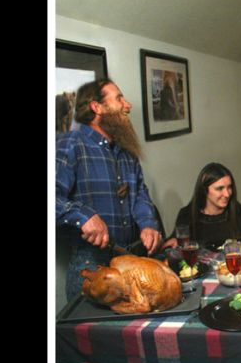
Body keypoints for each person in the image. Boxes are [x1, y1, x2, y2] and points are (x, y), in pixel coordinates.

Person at [56, 79, 163, 301]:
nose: (127, 105)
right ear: (97, 107)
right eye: (119, 98)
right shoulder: (71, 143)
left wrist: (148, 224)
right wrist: (84, 216)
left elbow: (140, 194)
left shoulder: (127, 152)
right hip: (92, 265)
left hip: (129, 260)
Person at [161, 162, 241, 252]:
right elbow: (175, 245)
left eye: (229, 187)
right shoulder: (187, 215)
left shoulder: (238, 211)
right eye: (219, 188)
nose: (227, 194)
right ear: (204, 190)